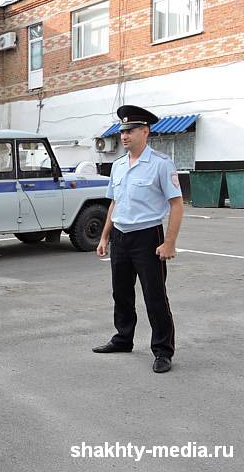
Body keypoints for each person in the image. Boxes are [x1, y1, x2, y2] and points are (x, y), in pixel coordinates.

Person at [94, 105, 184, 374]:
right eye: (122, 131)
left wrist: (169, 242)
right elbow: (114, 203)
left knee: (154, 296)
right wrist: (104, 236)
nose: (124, 136)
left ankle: (162, 350)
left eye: (130, 130)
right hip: (120, 237)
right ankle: (123, 338)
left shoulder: (160, 164)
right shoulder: (118, 166)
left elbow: (177, 204)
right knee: (121, 293)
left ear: (145, 132)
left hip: (148, 237)